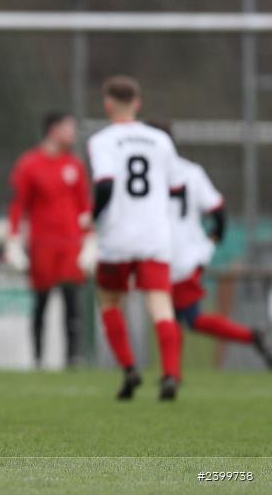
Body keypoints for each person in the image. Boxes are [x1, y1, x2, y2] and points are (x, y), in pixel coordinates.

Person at [88, 76, 184, 401]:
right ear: (138, 103)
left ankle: (130, 368)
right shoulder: (160, 140)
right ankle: (170, 373)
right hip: (155, 236)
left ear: (108, 104)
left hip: (118, 237)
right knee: (160, 304)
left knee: (110, 300)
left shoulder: (102, 141)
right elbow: (176, 188)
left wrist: (92, 215)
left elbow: (105, 185)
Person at [147, 121, 272, 367]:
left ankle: (172, 374)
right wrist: (212, 239)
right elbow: (218, 211)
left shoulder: (152, 176)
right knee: (178, 316)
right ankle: (173, 373)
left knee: (176, 316)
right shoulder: (191, 171)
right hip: (184, 256)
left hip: (170, 257)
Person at [6, 111, 92, 367]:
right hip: (42, 243)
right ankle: (38, 357)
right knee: (41, 302)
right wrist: (13, 239)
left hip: (71, 244)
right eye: (69, 128)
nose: (73, 134)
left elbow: (84, 204)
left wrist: (90, 239)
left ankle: (72, 357)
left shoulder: (74, 165)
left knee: (71, 300)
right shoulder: (30, 164)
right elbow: (19, 204)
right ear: (54, 130)